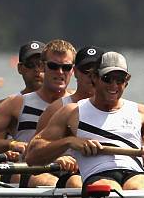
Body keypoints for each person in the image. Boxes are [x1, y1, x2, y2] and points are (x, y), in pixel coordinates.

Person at [26, 51, 144, 194]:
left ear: (127, 81)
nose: (114, 86)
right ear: (95, 78)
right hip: (97, 176)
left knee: (141, 185)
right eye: (108, 79)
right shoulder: (72, 112)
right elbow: (32, 157)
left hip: (135, 175)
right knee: (110, 189)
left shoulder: (141, 112)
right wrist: (69, 142)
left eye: (120, 80)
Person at [0, 39, 76, 187]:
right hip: (30, 170)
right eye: (53, 66)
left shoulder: (79, 102)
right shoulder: (15, 103)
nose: (60, 72)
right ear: (44, 67)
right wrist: (11, 145)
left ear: (73, 70)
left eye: (66, 67)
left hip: (71, 171)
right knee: (50, 182)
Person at [34, 46, 104, 188]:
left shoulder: (121, 109)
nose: (91, 76)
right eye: (86, 71)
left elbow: (142, 143)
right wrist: (58, 157)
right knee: (76, 183)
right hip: (65, 173)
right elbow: (34, 154)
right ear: (76, 72)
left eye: (96, 71)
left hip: (105, 172)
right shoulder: (58, 108)